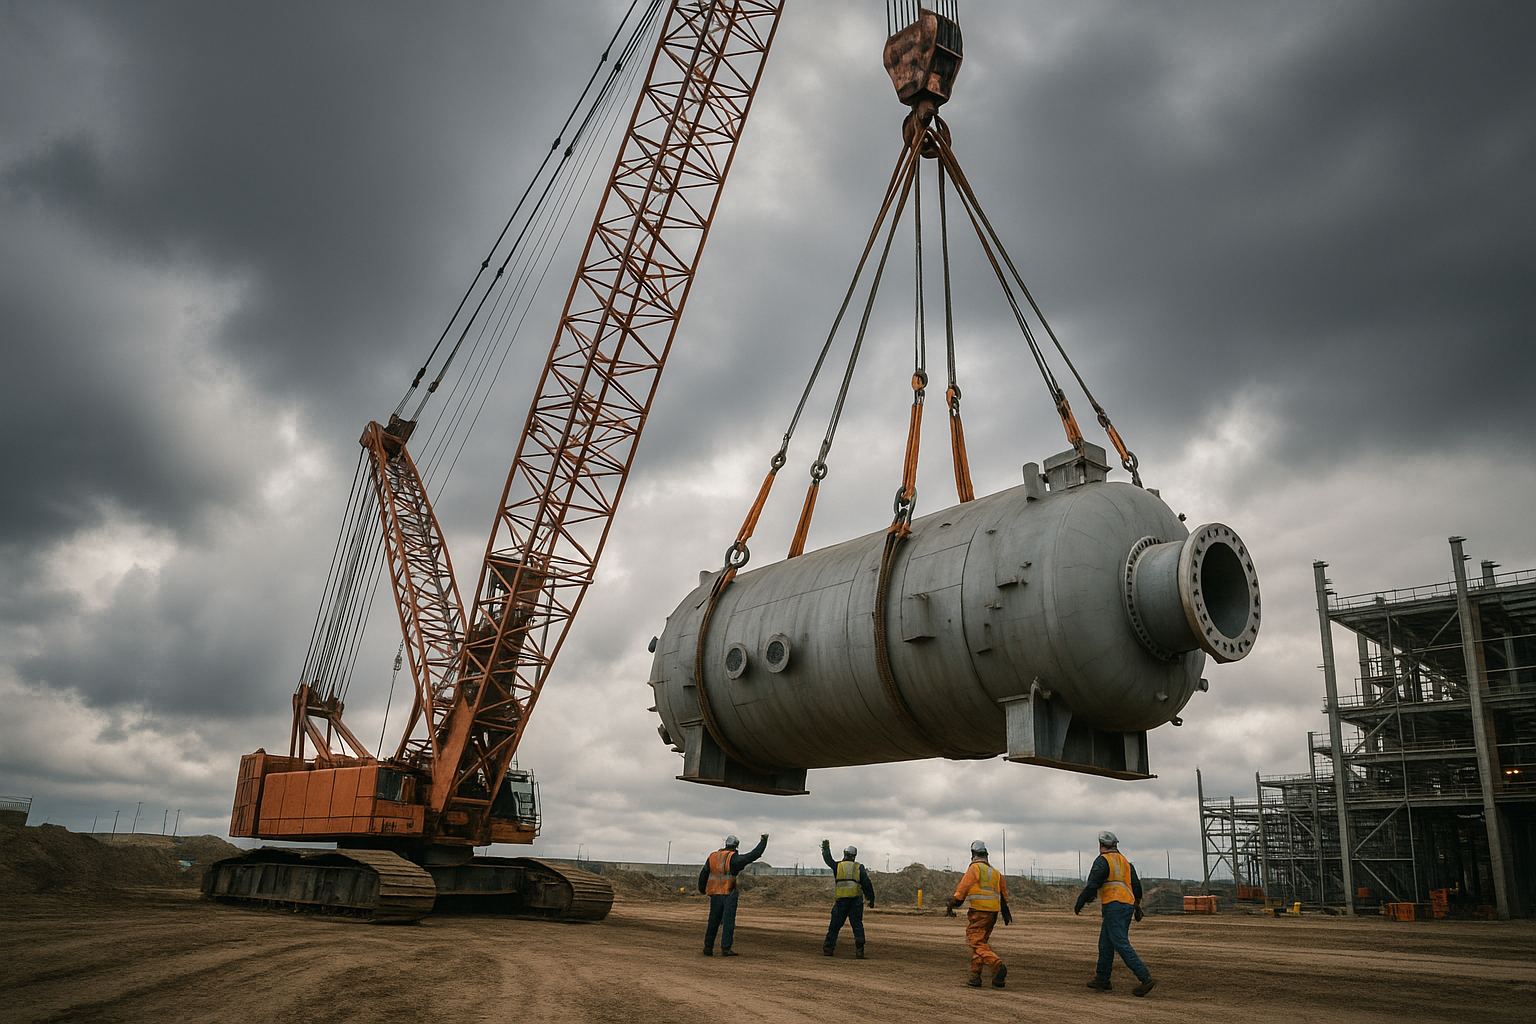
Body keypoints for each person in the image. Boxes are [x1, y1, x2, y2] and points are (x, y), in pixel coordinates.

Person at [1074, 830, 1156, 997]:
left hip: (1114, 905)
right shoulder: (1125, 862)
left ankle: (1145, 977)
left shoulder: (1102, 861)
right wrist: (1137, 905)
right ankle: (1102, 979)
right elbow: (1136, 885)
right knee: (1105, 943)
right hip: (1126, 904)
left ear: (1101, 845)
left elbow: (1093, 884)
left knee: (1120, 942)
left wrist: (1081, 901)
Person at [945, 839, 1011, 988]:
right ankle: (976, 977)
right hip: (992, 914)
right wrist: (1006, 911)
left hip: (978, 913)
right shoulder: (996, 873)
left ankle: (997, 966)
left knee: (976, 942)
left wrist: (952, 904)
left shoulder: (974, 869)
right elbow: (1003, 895)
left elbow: (963, 888)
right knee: (981, 944)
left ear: (973, 854)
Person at [698, 832, 768, 956]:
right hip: (729, 892)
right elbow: (753, 855)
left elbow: (704, 873)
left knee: (713, 920)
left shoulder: (713, 857)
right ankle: (726, 948)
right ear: (736, 845)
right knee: (728, 921)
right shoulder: (733, 858)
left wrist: (702, 888)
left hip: (715, 893)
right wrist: (763, 841)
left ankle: (708, 947)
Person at [820, 839, 876, 958]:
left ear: (844, 854)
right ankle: (859, 950)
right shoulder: (858, 867)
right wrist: (870, 899)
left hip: (841, 901)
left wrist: (825, 849)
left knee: (834, 925)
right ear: (854, 856)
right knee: (857, 926)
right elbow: (866, 883)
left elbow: (828, 861)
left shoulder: (838, 866)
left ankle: (828, 948)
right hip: (855, 901)